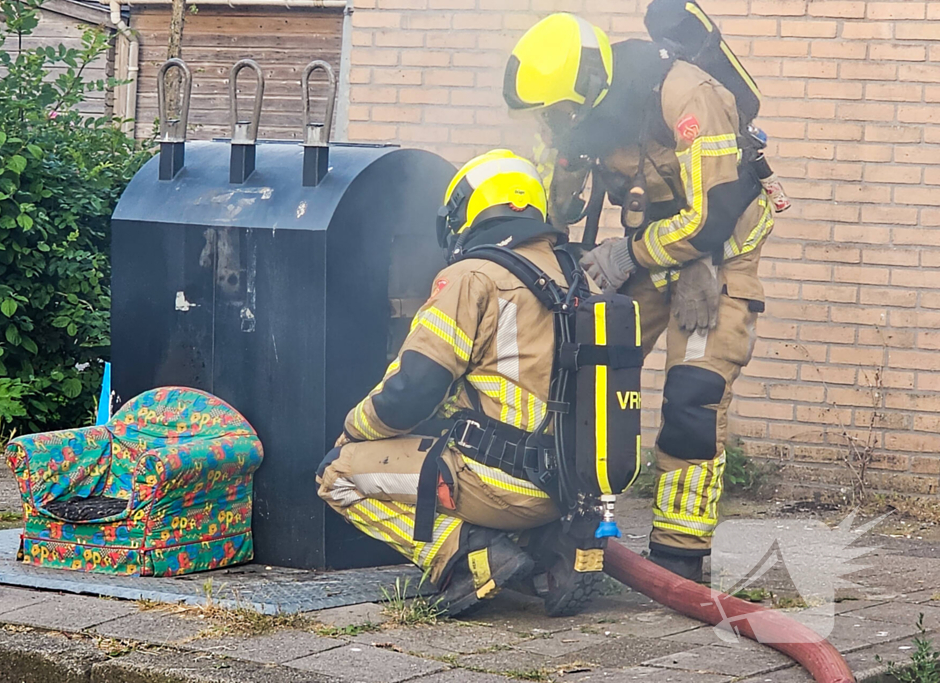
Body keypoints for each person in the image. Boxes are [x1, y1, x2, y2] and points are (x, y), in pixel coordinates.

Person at [503, 13, 774, 581]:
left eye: (559, 115)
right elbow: (554, 204)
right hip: (653, 249)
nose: (554, 123)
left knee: (693, 397)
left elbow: (715, 214)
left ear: (591, 89)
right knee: (573, 368)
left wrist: (629, 257)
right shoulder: (577, 115)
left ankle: (679, 556)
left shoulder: (687, 94)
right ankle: (556, 517)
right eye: (548, 116)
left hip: (719, 254)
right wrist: (562, 169)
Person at [316, 150, 602, 617]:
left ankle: (469, 559)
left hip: (504, 483)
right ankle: (550, 546)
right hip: (573, 484)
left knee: (336, 474)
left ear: (469, 212)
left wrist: (355, 428)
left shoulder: (472, 276)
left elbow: (414, 388)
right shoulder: (575, 276)